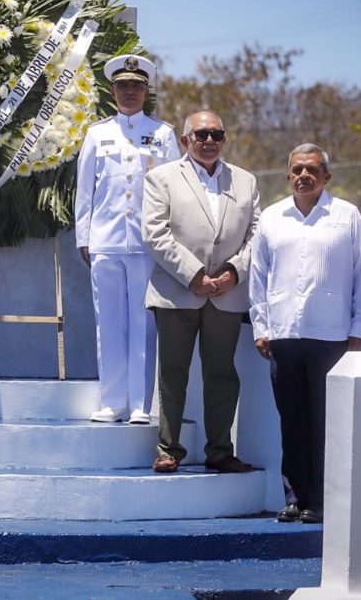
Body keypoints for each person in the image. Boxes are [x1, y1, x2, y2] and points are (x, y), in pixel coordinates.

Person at [248, 143, 361, 524]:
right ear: (288, 176)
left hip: (331, 336)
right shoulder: (272, 217)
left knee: (326, 423)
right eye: (297, 170)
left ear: (326, 177)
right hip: (283, 335)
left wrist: (357, 330)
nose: (304, 175)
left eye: (312, 170)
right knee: (292, 420)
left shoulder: (347, 216)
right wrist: (261, 326)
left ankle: (321, 500)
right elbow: (258, 278)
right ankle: (295, 497)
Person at [142, 110, 260, 474]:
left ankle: (221, 451)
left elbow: (258, 235)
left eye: (216, 134)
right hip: (176, 291)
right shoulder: (161, 178)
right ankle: (168, 449)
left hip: (226, 294)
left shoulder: (245, 181)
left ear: (224, 139)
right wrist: (193, 275)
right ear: (185, 140)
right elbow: (155, 233)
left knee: (222, 373)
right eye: (201, 134)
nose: (209, 141)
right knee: (173, 372)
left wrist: (233, 272)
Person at [74, 55, 179, 424]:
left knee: (144, 325)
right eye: (122, 86)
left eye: (136, 86)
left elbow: (174, 190)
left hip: (147, 244)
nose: (129, 92)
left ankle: (140, 404)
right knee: (109, 322)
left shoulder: (163, 134)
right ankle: (112, 402)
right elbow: (84, 189)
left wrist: (168, 239)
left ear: (147, 90)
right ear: (112, 91)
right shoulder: (97, 133)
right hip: (105, 241)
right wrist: (83, 236)